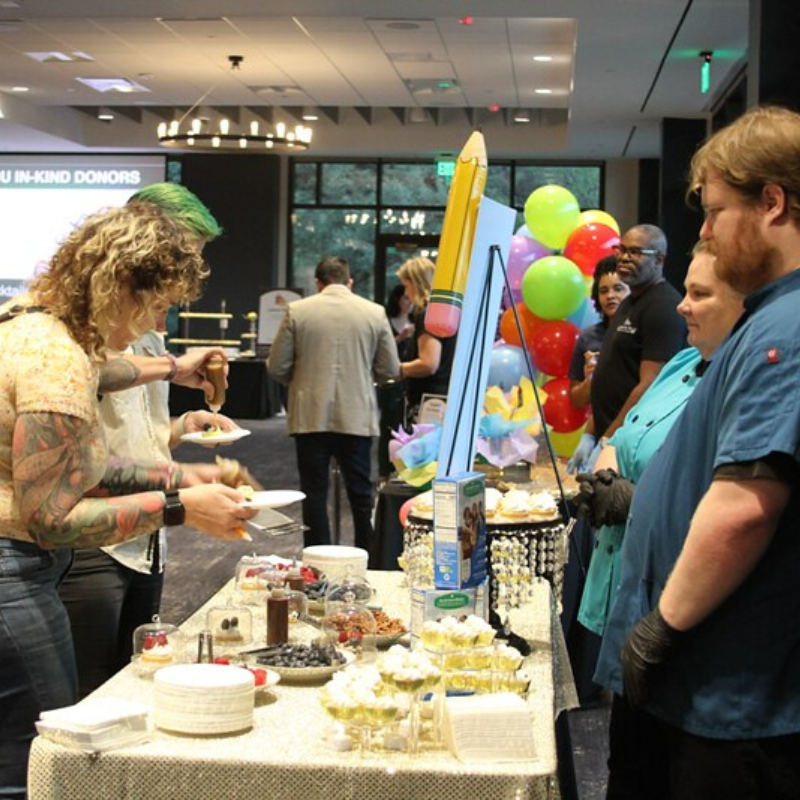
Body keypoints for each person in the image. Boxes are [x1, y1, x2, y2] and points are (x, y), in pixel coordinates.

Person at [0, 203, 256, 797]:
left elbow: (79, 465)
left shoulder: (38, 325)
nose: (159, 319)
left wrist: (177, 480)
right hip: (14, 568)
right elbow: (53, 519)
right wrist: (179, 510)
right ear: (119, 285)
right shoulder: (56, 362)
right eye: (159, 303)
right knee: (43, 760)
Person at [595, 104, 800, 798]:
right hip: (703, 687)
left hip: (727, 694)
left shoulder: (787, 329)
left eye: (715, 211)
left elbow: (745, 505)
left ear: (772, 202)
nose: (705, 230)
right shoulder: (769, 316)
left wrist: (662, 626)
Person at [57, 183, 253, 699]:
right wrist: (169, 368)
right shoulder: (76, 332)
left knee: (133, 681)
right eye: (181, 254)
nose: (186, 272)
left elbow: (134, 437)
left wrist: (182, 427)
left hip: (148, 534)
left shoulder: (147, 331)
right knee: (86, 697)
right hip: (94, 537)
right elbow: (86, 380)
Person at [575, 244, 743, 797]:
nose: (680, 307)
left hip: (678, 610)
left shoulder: (743, 381)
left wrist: (634, 499)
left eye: (699, 295)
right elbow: (622, 436)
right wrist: (604, 472)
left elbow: (731, 503)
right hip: (626, 584)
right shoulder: (682, 360)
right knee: (627, 757)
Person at [267, 256, 399, 551]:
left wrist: (301, 378)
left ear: (318, 282)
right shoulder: (374, 312)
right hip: (356, 417)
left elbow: (276, 367)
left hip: (310, 417)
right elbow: (390, 368)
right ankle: (367, 559)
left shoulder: (297, 311)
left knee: (314, 495)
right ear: (349, 281)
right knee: (362, 497)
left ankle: (317, 561)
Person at [571, 225, 686, 473]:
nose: (623, 258)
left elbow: (650, 384)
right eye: (621, 250)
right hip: (608, 436)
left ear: (659, 259)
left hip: (629, 446)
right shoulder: (630, 301)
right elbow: (612, 376)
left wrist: (609, 440)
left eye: (635, 252)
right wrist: (590, 434)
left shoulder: (663, 306)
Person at [397, 257, 457, 426]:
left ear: (416, 283)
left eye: (406, 286)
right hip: (444, 399)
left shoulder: (427, 315)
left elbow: (428, 363)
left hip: (428, 403)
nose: (406, 294)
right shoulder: (447, 313)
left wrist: (400, 369)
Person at [378, 283, 415, 481]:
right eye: (405, 298)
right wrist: (401, 338)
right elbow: (383, 349)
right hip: (392, 379)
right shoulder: (386, 321)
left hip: (411, 380)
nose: (408, 302)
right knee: (389, 426)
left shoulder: (417, 320)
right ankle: (385, 470)